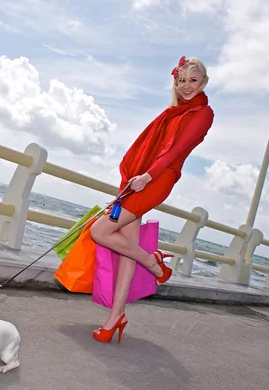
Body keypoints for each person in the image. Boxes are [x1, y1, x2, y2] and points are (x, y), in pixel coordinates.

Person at [89, 56, 214, 343]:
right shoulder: (170, 112)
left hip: (158, 178)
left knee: (100, 231)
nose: (186, 86)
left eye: (192, 80)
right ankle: (115, 317)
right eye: (181, 80)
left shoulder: (203, 113)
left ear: (204, 82)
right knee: (126, 248)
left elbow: (176, 151)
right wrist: (136, 176)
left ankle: (155, 265)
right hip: (139, 178)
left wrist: (148, 176)